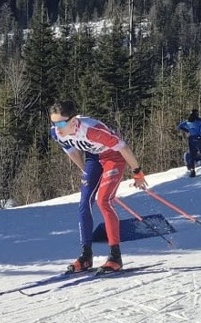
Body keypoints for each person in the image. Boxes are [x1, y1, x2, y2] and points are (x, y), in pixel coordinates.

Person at [49, 100, 148, 273]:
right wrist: (86, 172)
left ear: (73, 121)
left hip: (113, 157)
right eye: (54, 122)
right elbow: (72, 152)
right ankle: (86, 256)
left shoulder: (92, 131)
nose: (57, 127)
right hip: (93, 158)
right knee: (84, 203)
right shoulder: (57, 133)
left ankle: (115, 257)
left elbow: (123, 147)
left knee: (103, 201)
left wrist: (137, 172)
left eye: (61, 122)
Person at [177, 109, 201, 177]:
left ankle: (192, 171)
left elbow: (179, 126)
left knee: (192, 154)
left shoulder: (187, 121)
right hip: (198, 138)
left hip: (191, 138)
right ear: (196, 113)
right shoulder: (199, 121)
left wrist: (187, 130)